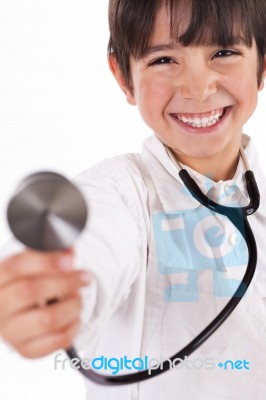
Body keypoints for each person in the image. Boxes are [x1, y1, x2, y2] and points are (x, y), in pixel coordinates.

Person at [0, 0, 266, 399]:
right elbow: (92, 243)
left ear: (262, 64)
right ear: (123, 76)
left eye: (224, 52)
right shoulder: (120, 193)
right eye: (163, 60)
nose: (197, 88)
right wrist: (48, 291)